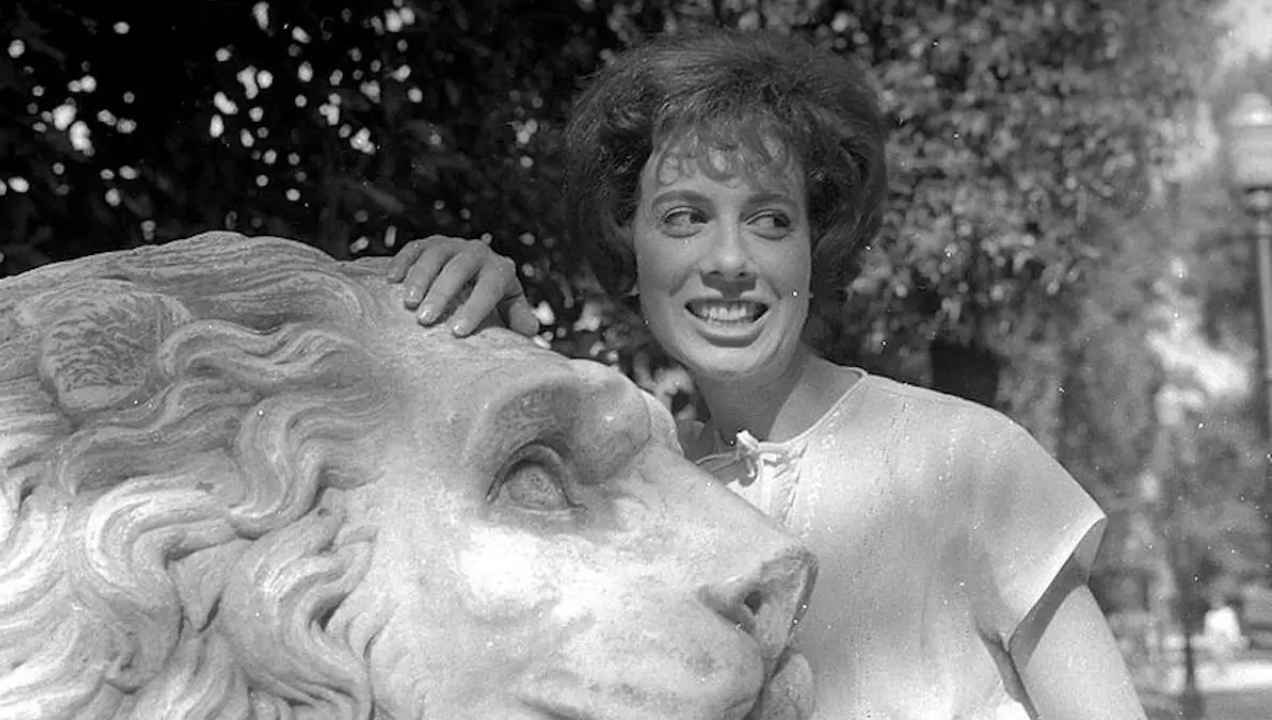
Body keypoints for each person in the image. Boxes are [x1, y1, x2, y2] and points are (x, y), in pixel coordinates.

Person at [386, 28, 1145, 719]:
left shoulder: (968, 461)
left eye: (770, 219)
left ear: (817, 247)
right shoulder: (630, 487)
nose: (728, 260)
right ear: (631, 246)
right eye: (684, 217)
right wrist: (477, 347)